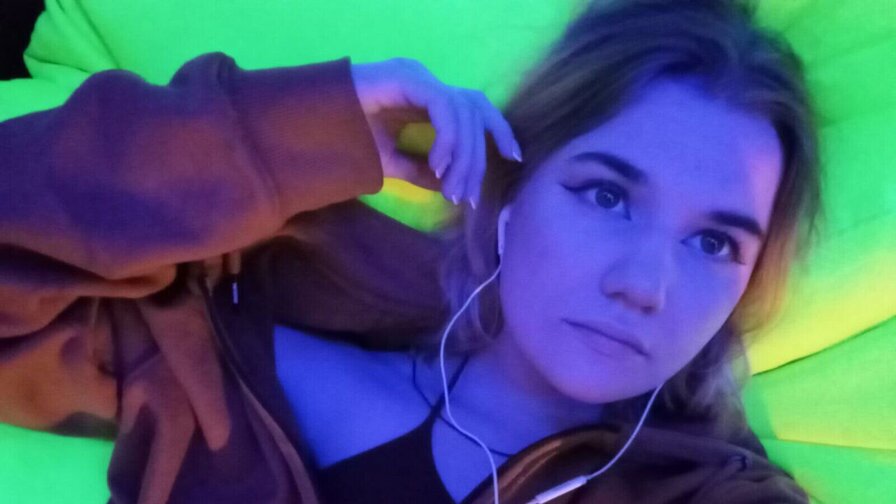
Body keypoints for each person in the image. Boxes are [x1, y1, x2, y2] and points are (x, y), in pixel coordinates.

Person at [0, 0, 818, 503]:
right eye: (606, 195)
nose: (645, 284)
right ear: (510, 192)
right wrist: (300, 132)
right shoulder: (230, 351)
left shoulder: (706, 492)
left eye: (715, 241)